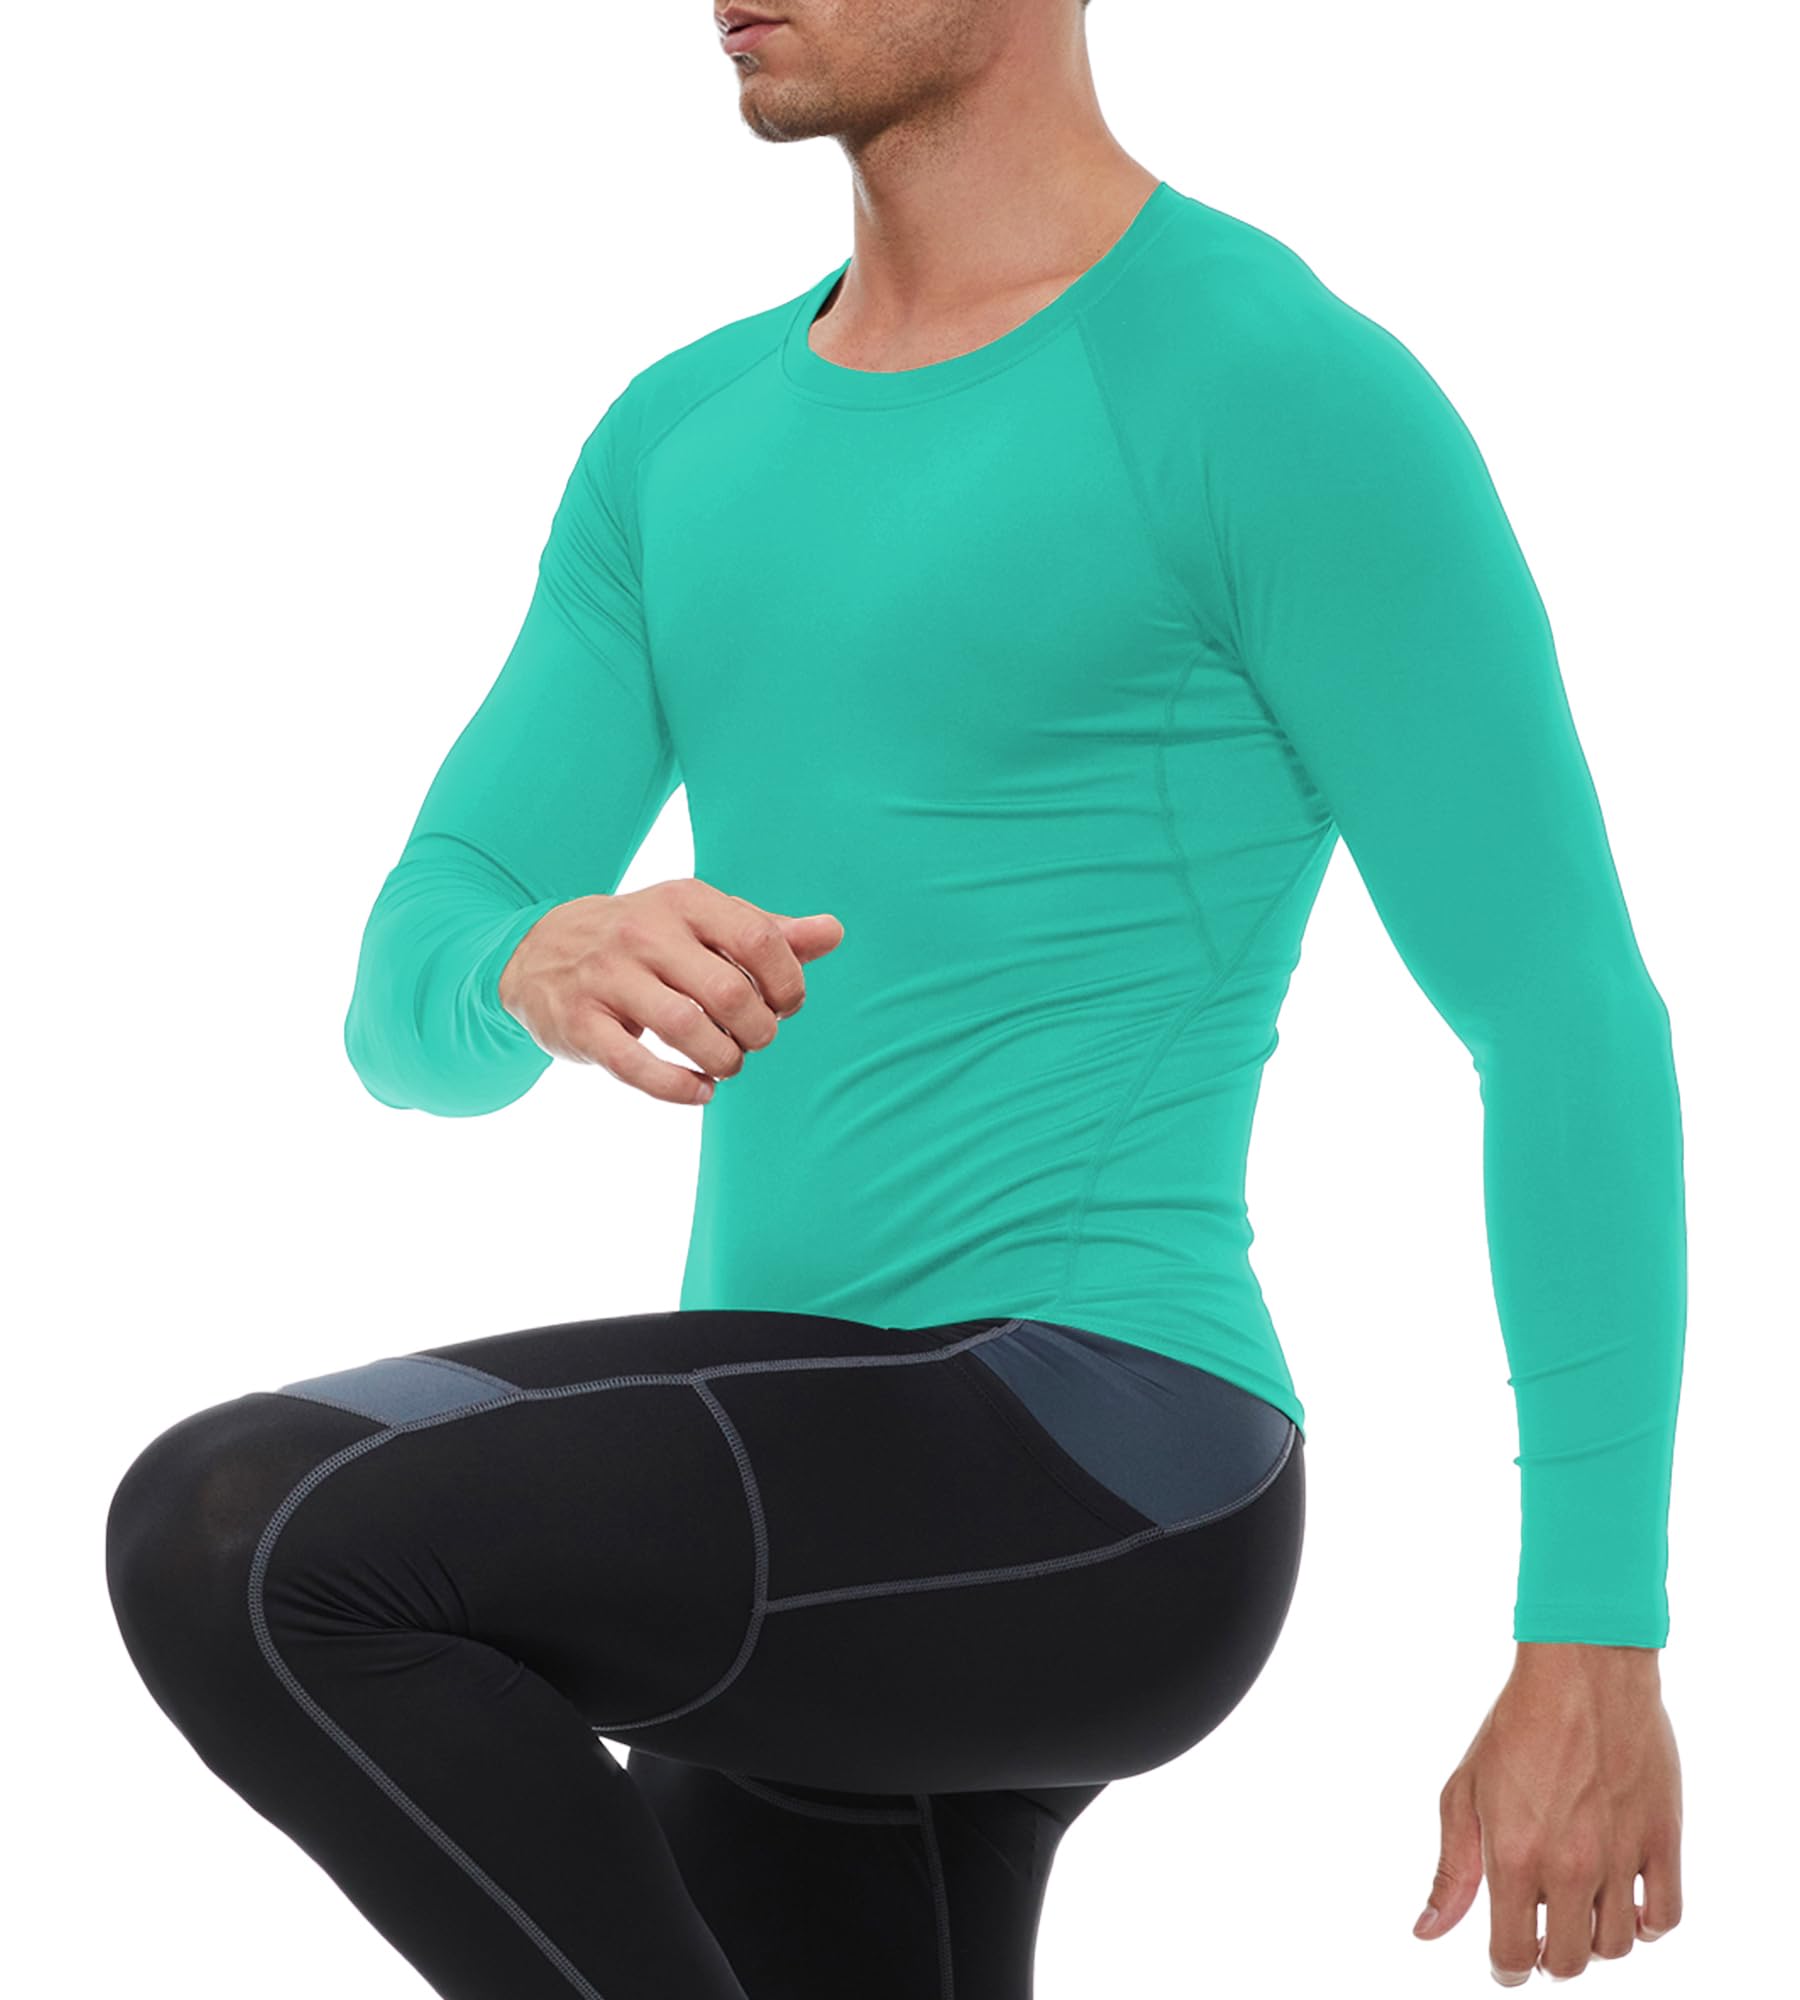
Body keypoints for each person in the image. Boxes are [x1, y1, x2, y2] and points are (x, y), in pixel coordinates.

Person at [104, 3, 1688, 1994]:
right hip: (801, 1495)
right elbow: (403, 995)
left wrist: (1593, 1638)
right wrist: (529, 955)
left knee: (248, 1531)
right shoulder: (683, 435)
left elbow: (1566, 1018)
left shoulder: (1268, 387)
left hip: (1112, 1452)